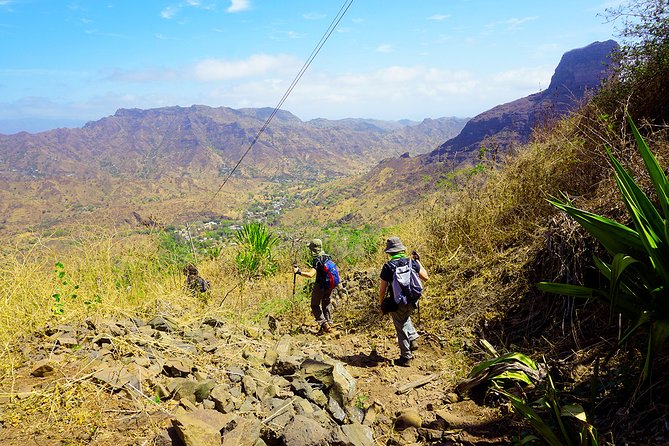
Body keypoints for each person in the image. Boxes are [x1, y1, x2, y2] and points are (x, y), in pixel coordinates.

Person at [378, 236, 429, 367]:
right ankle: (412, 339)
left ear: (389, 252)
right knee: (405, 318)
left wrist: (380, 303)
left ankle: (405, 357)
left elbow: (382, 289)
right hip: (413, 300)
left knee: (400, 327)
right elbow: (426, 277)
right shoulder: (411, 262)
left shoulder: (388, 266)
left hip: (398, 302)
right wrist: (418, 261)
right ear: (401, 249)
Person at [294, 239, 336, 334]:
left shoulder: (317, 259)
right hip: (330, 284)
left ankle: (324, 324)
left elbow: (310, 274)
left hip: (320, 285)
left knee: (315, 305)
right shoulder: (327, 257)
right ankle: (329, 323)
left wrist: (299, 272)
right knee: (326, 303)